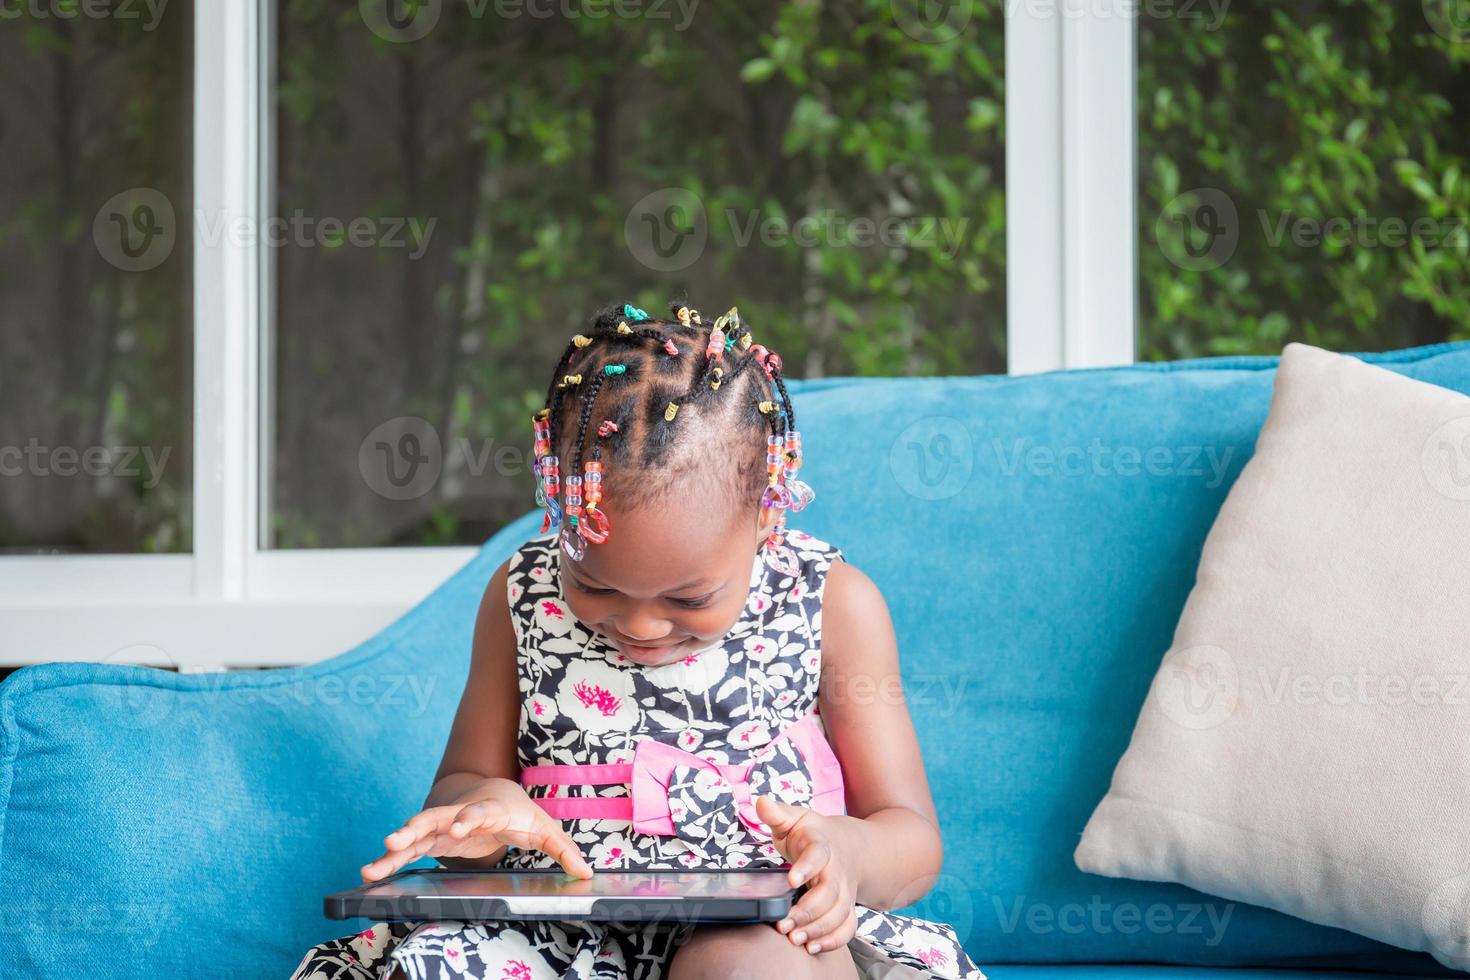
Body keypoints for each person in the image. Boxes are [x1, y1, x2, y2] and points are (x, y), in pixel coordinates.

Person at [292, 301, 985, 980]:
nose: (641, 626)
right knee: (438, 965)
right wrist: (484, 812)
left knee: (753, 970)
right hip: (554, 937)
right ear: (560, 505)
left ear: (766, 520)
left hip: (762, 932)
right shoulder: (523, 595)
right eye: (595, 587)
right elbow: (458, 788)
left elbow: (912, 839)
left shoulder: (829, 600)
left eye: (689, 598)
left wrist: (849, 851)